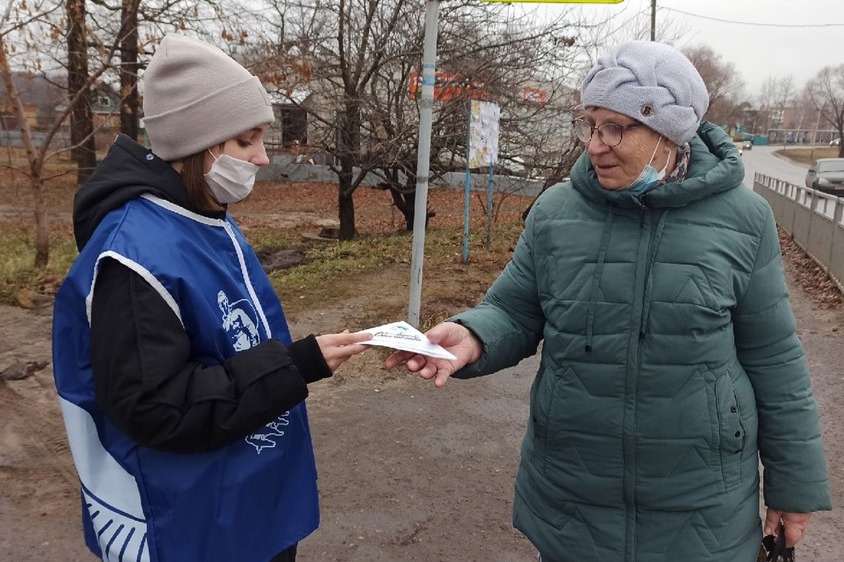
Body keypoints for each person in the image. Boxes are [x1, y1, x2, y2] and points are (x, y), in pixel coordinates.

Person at [386, 40, 832, 562]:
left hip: (700, 504)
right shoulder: (556, 211)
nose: (595, 144)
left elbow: (775, 359)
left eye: (615, 128)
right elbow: (514, 310)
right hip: (572, 494)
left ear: (670, 131)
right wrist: (473, 334)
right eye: (590, 124)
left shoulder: (744, 219)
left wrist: (792, 487)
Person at [52, 34, 371, 562]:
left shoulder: (203, 219)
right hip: (191, 524)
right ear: (197, 145)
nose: (263, 158)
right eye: (247, 141)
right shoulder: (134, 255)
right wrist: (294, 366)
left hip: (240, 500)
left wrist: (304, 360)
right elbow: (156, 406)